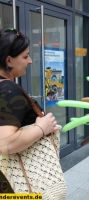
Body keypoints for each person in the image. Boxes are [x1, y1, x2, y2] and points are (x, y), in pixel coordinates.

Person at [0, 28, 65, 196]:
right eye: (25, 56)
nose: (30, 61)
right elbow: (5, 143)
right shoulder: (8, 89)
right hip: (23, 186)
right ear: (9, 60)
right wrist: (41, 129)